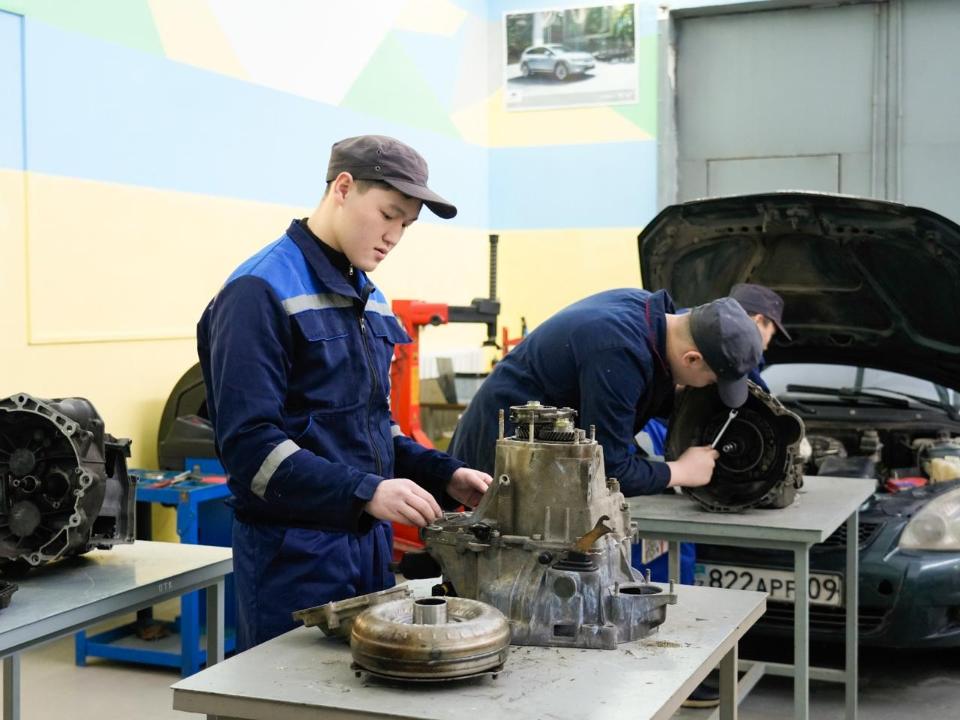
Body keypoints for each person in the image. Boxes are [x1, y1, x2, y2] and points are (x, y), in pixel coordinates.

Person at [197, 135, 492, 651]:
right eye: (388, 214)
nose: (394, 235)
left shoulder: (369, 300)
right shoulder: (259, 290)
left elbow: (371, 430)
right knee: (287, 693)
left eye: (406, 224)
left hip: (368, 550)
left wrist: (445, 475)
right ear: (343, 187)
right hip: (293, 559)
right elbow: (250, 449)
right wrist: (366, 492)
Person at [449, 289, 764, 495]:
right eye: (711, 381)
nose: (707, 388)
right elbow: (609, 470)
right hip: (492, 469)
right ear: (692, 359)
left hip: (531, 455)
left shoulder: (648, 314)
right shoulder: (619, 352)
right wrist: (680, 472)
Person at [729, 282, 791, 391]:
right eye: (771, 333)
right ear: (758, 320)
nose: (765, 347)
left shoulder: (697, 329)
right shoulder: (744, 356)